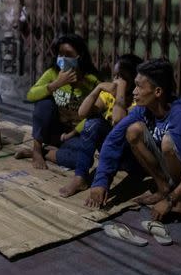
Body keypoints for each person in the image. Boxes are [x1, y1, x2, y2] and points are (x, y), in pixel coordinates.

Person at [85, 59, 181, 222]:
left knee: (167, 143)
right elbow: (113, 139)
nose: (134, 92)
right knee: (132, 131)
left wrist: (170, 201)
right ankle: (164, 189)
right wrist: (101, 181)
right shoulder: (144, 109)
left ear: (157, 92)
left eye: (139, 87)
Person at [17, 53, 142, 197]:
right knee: (84, 138)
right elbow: (83, 113)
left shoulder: (137, 100)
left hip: (126, 156)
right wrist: (98, 89)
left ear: (133, 80)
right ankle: (53, 161)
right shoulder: (109, 95)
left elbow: (119, 121)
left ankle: (77, 174)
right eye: (114, 76)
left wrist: (120, 91)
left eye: (120, 77)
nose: (115, 81)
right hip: (105, 151)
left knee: (93, 126)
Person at [18, 34, 99, 169]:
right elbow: (31, 95)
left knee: (83, 159)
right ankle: (37, 149)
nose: (62, 58)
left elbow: (96, 113)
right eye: (60, 54)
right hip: (52, 132)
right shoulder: (53, 73)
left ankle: (44, 153)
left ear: (80, 56)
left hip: (74, 135)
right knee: (44, 103)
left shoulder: (92, 80)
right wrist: (56, 84)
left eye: (68, 54)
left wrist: (71, 134)